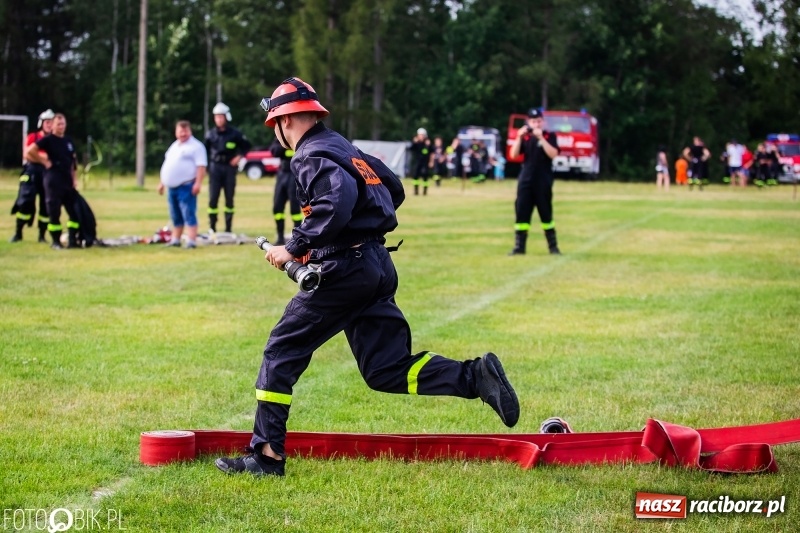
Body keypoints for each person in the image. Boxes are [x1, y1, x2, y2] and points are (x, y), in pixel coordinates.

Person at [215, 77, 520, 477]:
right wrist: (340, 234)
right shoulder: (344, 147)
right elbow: (392, 189)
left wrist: (294, 246)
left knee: (281, 351)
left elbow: (334, 200)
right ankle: (473, 376)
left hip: (344, 271)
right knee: (385, 369)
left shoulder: (308, 154)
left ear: (284, 120)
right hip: (375, 264)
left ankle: (266, 458)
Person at [508, 107, 561, 255]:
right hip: (526, 180)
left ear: (542, 122)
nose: (536, 124)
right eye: (533, 121)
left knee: (546, 214)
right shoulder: (525, 137)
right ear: (528, 122)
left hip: (543, 180)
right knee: (522, 213)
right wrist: (518, 137)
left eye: (538, 121)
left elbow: (553, 154)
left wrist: (541, 139)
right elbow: (513, 155)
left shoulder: (550, 136)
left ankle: (553, 247)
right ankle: (519, 247)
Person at [24, 113, 80, 249]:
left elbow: (73, 162)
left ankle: (73, 240)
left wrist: (74, 178)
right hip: (53, 180)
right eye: (58, 124)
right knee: (54, 213)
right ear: (53, 126)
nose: (61, 127)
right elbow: (29, 152)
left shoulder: (68, 141)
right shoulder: (48, 140)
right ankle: (56, 241)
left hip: (67, 180)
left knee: (74, 211)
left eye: (63, 124)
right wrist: (44, 161)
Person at [158, 120, 207, 249]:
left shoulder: (196, 146)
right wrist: (162, 182)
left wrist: (198, 183)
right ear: (176, 132)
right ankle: (176, 239)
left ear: (190, 131)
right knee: (175, 215)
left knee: (188, 213)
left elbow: (201, 166)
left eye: (185, 131)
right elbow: (168, 165)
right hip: (172, 187)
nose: (183, 134)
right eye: (180, 131)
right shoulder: (174, 146)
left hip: (187, 186)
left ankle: (191, 240)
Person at [204, 102, 250, 232]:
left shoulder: (235, 134)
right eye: (216, 117)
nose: (219, 119)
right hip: (215, 168)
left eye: (221, 116)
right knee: (213, 199)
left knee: (229, 198)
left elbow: (246, 146)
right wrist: (205, 167)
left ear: (226, 117)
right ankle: (212, 227)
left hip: (229, 169)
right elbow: (204, 151)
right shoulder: (210, 134)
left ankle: (228, 229)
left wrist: (239, 156)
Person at [10, 109, 54, 242]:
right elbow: (27, 154)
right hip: (31, 172)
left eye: (51, 122)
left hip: (47, 174)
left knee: (46, 205)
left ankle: (42, 235)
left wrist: (37, 156)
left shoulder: (54, 140)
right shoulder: (33, 137)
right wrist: (44, 158)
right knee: (25, 202)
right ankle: (18, 232)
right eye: (47, 122)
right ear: (41, 123)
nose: (49, 125)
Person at [269, 137, 302, 244]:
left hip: (296, 174)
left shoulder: (300, 136)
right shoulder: (281, 138)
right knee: (277, 207)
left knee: (295, 209)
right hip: (282, 174)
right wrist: (285, 144)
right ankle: (280, 237)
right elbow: (274, 151)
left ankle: (297, 239)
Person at [410, 128, 432, 195]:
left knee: (425, 176)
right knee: (415, 176)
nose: (421, 136)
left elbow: (432, 152)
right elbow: (411, 149)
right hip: (417, 162)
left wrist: (431, 161)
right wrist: (414, 142)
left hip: (425, 162)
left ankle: (425, 192)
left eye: (422, 135)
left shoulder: (427, 143)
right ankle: (416, 191)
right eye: (419, 135)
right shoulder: (416, 143)